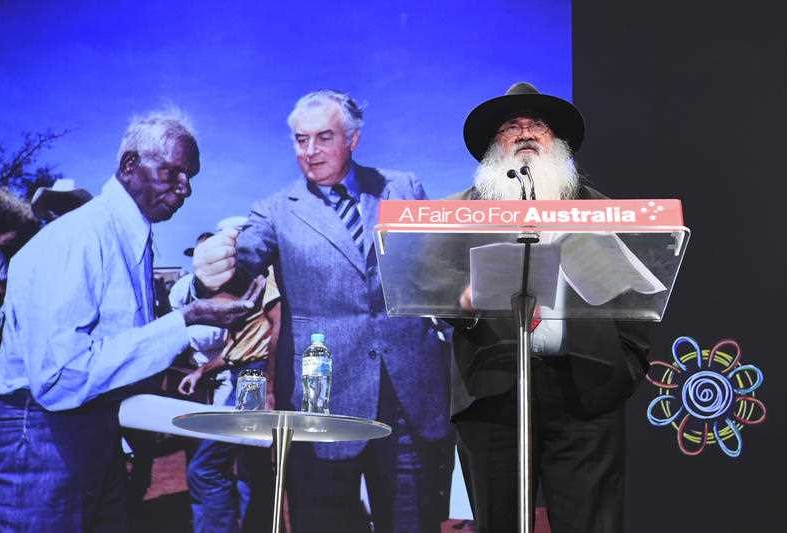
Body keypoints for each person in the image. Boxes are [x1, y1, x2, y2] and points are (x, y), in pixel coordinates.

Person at [193, 90, 454, 533]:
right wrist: (214, 270)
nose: (310, 152)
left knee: (413, 522)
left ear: (352, 139)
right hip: (322, 401)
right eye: (300, 140)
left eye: (323, 137)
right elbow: (245, 261)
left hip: (408, 396)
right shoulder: (274, 211)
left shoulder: (403, 188)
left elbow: (435, 272)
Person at [0, 110, 263, 531]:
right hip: (46, 436)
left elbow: (124, 339)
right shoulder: (80, 238)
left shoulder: (129, 237)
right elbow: (59, 376)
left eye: (190, 176)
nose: (186, 188)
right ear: (129, 166)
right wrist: (186, 319)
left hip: (95, 429)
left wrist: (196, 302)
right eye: (173, 172)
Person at [446, 82, 653, 532]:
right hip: (493, 390)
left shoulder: (601, 212)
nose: (525, 133)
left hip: (585, 388)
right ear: (491, 148)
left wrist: (626, 366)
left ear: (557, 143)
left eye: (536, 125)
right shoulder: (458, 212)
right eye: (510, 127)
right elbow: (426, 284)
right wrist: (462, 301)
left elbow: (635, 299)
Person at [173, 219, 281, 533]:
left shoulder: (265, 277)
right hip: (245, 374)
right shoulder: (243, 284)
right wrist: (201, 370)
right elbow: (241, 346)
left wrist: (269, 389)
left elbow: (275, 330)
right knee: (251, 467)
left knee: (205, 468)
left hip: (253, 379)